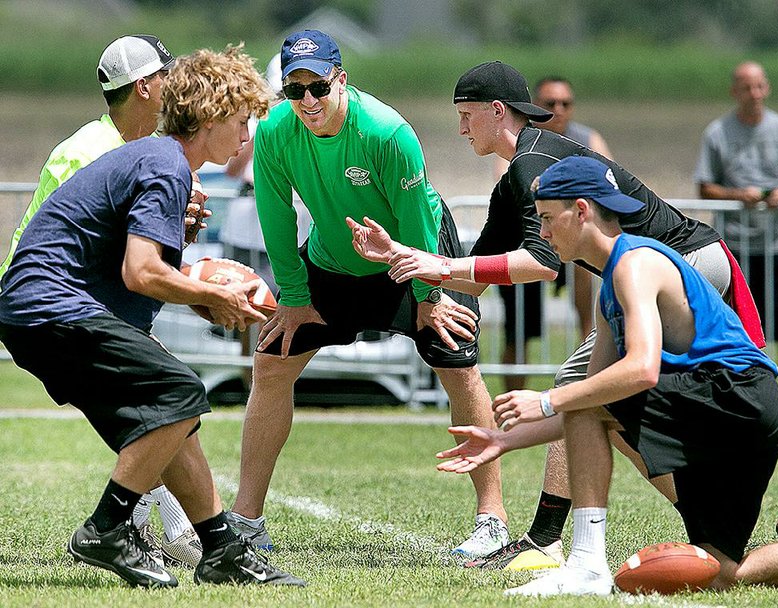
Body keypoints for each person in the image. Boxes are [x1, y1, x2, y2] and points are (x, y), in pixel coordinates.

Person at [348, 61, 761, 572]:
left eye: (466, 115)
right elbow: (478, 277)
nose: (460, 128)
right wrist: (400, 256)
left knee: (584, 389)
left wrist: (442, 263)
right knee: (612, 410)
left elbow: (540, 265)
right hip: (680, 264)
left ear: (496, 111)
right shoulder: (516, 176)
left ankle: (548, 540)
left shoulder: (530, 165)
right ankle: (707, 520)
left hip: (689, 261)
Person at [0, 45, 305, 588]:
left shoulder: (161, 160)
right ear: (209, 117)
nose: (246, 136)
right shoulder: (166, 164)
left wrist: (201, 275)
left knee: (172, 419)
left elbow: (138, 264)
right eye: (240, 121)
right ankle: (107, 527)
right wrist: (216, 298)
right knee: (180, 391)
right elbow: (142, 273)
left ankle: (220, 548)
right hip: (50, 305)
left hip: (38, 309)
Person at [437, 155, 778, 597]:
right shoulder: (611, 283)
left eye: (548, 218)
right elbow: (589, 404)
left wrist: (548, 400)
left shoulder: (636, 263)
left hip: (735, 394)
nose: (543, 233)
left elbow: (641, 370)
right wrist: (503, 441)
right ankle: (589, 566)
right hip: (744, 412)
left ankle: (587, 565)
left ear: (582, 211)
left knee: (582, 399)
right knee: (720, 572)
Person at [228, 30, 509, 559]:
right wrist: (292, 294)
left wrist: (428, 295)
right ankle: (245, 521)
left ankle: (491, 520)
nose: (307, 100)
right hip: (333, 260)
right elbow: (275, 213)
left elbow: (417, 216)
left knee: (459, 365)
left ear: (341, 79)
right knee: (271, 363)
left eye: (317, 86)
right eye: (295, 89)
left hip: (410, 253)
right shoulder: (273, 132)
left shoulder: (386, 132)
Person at [0, 34, 205, 569]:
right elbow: (94, 248)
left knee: (157, 403)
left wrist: (174, 225)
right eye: (168, 76)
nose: (178, 88)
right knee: (166, 396)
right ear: (145, 87)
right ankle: (169, 532)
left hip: (77, 299)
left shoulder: (137, 149)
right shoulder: (88, 151)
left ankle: (164, 528)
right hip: (51, 302)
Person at [495, 76, 611, 391]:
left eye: (565, 103)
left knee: (592, 318)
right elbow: (507, 184)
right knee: (518, 329)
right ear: (535, 107)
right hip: (530, 241)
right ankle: (512, 405)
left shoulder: (588, 139)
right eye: (550, 104)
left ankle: (589, 389)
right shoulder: (519, 140)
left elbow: (610, 182)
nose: (558, 110)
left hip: (577, 245)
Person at [695, 60, 778, 407]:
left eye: (759, 86)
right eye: (746, 87)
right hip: (734, 246)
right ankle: (740, 390)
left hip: (777, 243)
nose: (753, 94)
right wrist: (738, 195)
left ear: (766, 88)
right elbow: (705, 186)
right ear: (734, 91)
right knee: (736, 323)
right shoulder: (717, 132)